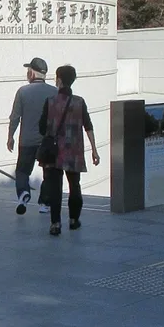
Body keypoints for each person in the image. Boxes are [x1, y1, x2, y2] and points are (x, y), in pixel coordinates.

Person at [37, 63, 100, 236]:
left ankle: (55, 224)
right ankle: (73, 220)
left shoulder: (50, 102)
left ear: (59, 80)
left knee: (55, 188)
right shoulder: (79, 102)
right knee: (74, 185)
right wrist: (94, 150)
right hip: (74, 151)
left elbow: (41, 128)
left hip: (54, 152)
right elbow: (88, 126)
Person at [7, 56, 56, 215]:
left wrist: (10, 136)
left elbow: (15, 117)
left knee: (22, 171)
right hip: (47, 141)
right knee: (48, 173)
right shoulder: (54, 92)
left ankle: (23, 193)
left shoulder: (23, 91)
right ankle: (44, 203)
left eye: (28, 71)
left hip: (27, 140)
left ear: (32, 74)